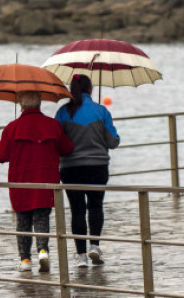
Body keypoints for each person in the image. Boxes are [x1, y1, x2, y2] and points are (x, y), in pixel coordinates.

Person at [0, 91, 74, 273]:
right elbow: (67, 148)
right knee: (41, 217)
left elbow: (1, 155)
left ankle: (25, 260)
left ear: (21, 106)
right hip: (45, 180)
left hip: (20, 181)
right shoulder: (52, 125)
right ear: (39, 105)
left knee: (22, 220)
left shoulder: (12, 127)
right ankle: (43, 251)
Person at [55, 73, 120, 268]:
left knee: (77, 210)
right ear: (90, 89)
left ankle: (81, 255)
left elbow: (58, 141)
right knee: (95, 205)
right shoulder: (101, 111)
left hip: (70, 168)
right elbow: (113, 142)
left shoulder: (63, 112)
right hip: (97, 166)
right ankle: (94, 245)